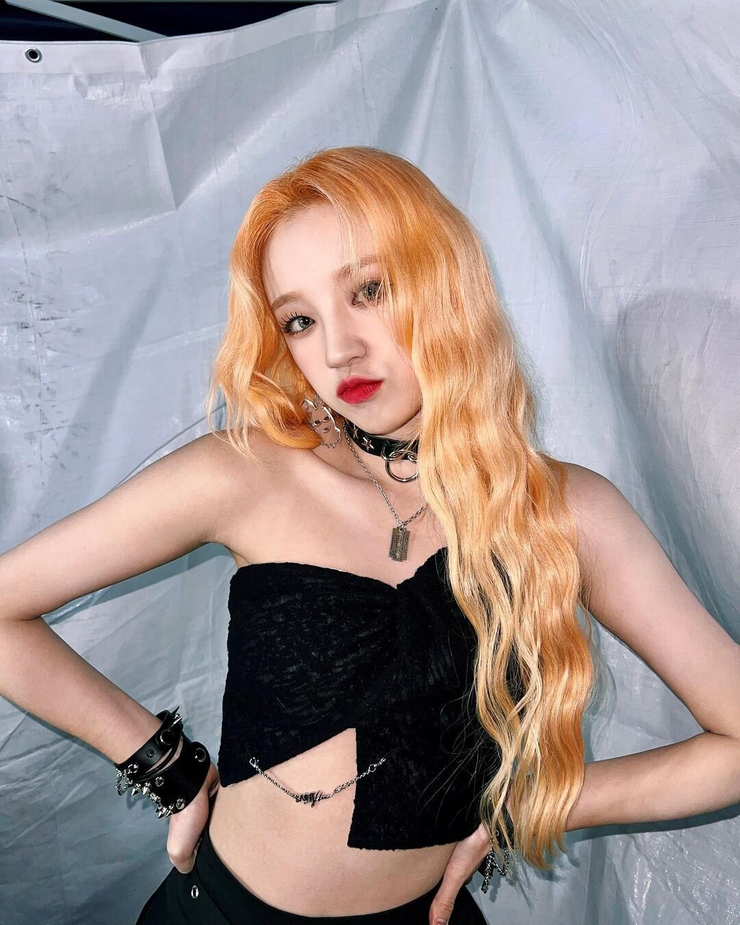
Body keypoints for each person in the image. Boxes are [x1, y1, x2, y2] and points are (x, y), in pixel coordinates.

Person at [1, 146, 739, 925]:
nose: (337, 349)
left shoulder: (564, 511)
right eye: (300, 320)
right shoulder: (246, 474)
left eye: (369, 290)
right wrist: (168, 766)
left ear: (445, 281)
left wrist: (538, 803)